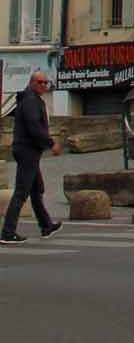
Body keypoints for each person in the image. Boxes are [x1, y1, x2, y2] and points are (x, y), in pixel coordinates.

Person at [3, 70, 62, 243]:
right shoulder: (30, 101)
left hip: (29, 151)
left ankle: (46, 226)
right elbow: (34, 127)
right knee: (21, 193)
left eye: (46, 82)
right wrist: (51, 143)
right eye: (40, 82)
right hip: (27, 151)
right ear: (32, 83)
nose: (44, 85)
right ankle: (7, 233)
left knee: (37, 190)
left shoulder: (32, 99)